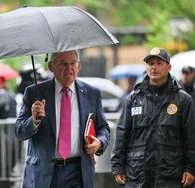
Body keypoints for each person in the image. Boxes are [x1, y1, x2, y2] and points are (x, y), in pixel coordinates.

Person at [15, 50, 110, 188]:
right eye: (63, 63)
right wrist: (34, 120)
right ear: (51, 66)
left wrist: (99, 143)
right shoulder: (34, 93)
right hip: (44, 172)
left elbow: (104, 128)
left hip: (78, 172)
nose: (69, 68)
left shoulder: (91, 93)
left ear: (79, 66)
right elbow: (19, 131)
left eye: (72, 63)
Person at [111, 47, 195, 187]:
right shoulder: (133, 99)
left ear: (168, 67)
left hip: (170, 175)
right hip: (137, 174)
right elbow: (122, 133)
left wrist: (191, 168)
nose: (154, 67)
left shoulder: (183, 100)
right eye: (150, 64)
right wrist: (117, 166)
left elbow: (191, 137)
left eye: (159, 63)